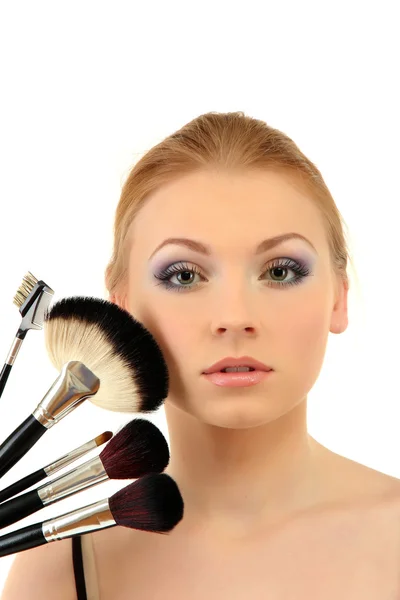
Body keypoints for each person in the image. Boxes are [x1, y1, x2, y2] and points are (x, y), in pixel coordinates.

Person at [3, 111, 400, 599]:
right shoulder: (61, 564)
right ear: (123, 310)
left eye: (279, 271)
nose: (234, 317)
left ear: (337, 298)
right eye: (184, 275)